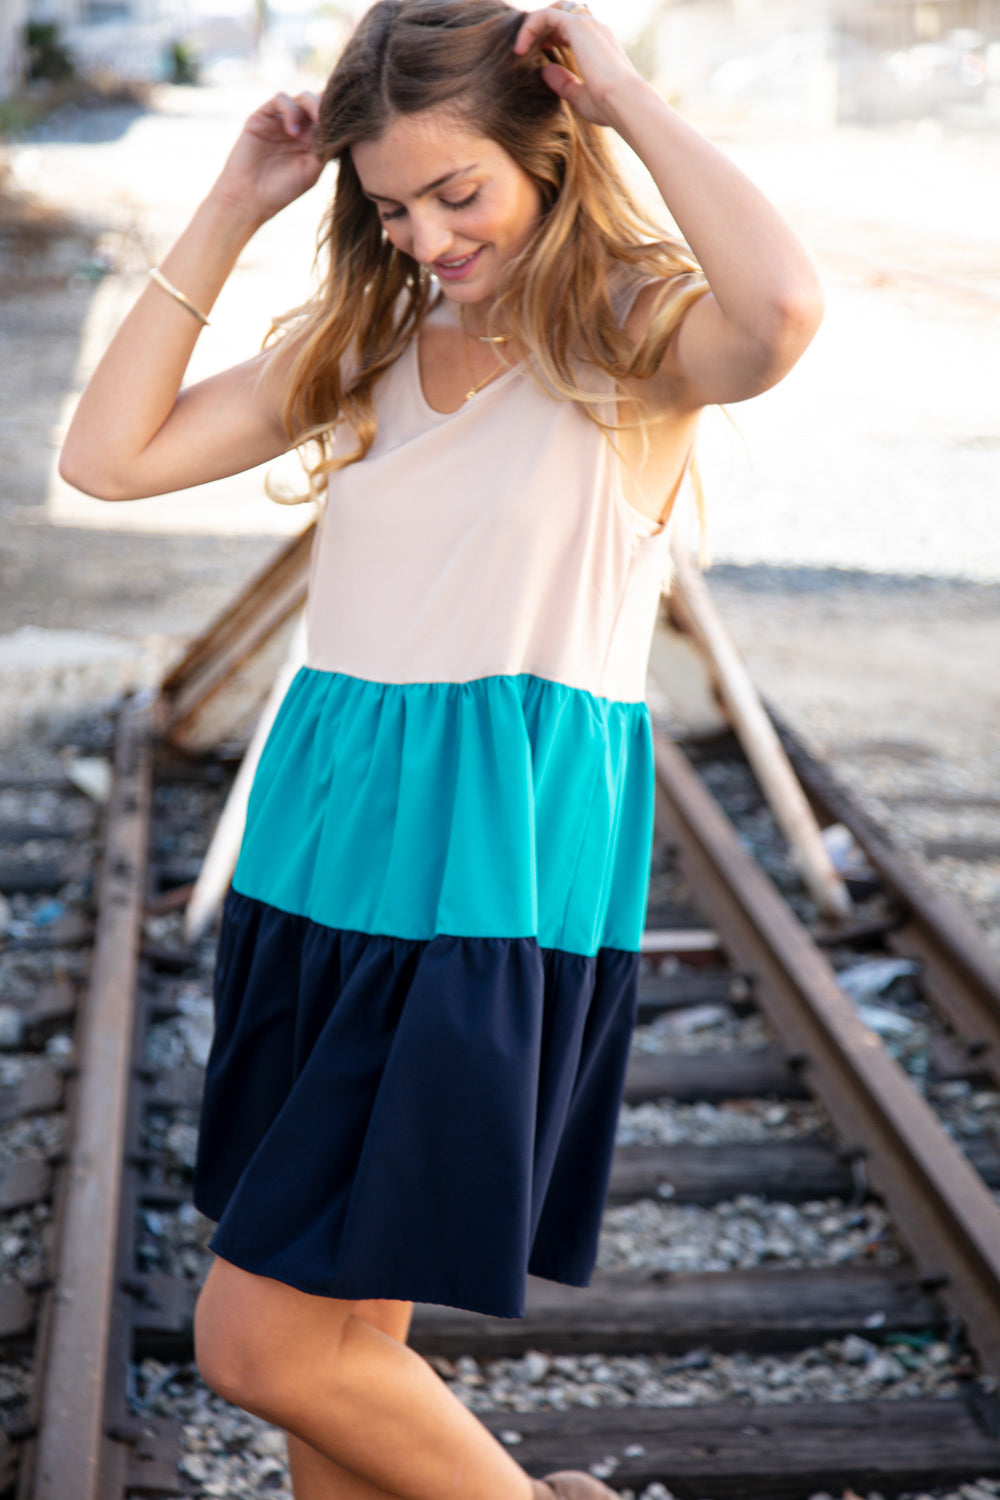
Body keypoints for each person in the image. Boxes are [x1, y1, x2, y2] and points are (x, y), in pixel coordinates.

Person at [60, 1, 824, 1495]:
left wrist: (625, 96)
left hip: (482, 880)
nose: (423, 235)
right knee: (333, 1363)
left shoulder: (626, 336)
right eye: (391, 205)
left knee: (262, 1344)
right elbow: (107, 457)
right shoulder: (372, 345)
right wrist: (231, 204)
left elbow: (784, 313)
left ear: (551, 149)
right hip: (320, 857)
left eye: (456, 192)